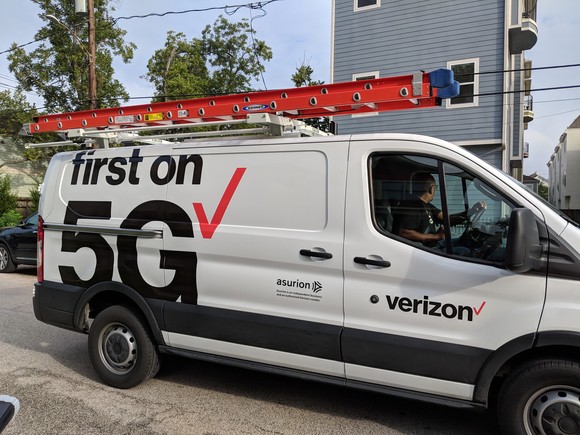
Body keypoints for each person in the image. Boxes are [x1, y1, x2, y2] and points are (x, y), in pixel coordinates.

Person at [397, 173, 485, 254]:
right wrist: (436, 236)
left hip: (434, 244)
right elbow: (404, 232)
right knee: (465, 251)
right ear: (431, 189)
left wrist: (471, 211)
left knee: (463, 242)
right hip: (425, 250)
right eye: (435, 187)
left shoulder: (427, 205)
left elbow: (447, 219)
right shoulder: (412, 206)